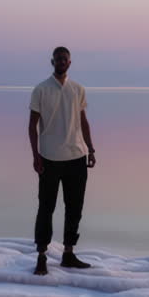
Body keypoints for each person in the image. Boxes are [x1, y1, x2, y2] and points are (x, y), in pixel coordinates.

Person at [29, 46, 96, 275]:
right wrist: (35, 156)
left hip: (76, 156)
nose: (61, 62)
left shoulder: (78, 89)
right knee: (46, 207)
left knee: (74, 208)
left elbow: (83, 121)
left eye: (64, 59)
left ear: (69, 62)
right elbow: (32, 126)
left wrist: (91, 149)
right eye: (58, 59)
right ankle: (41, 256)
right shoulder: (41, 89)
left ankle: (68, 254)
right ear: (52, 61)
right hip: (49, 158)